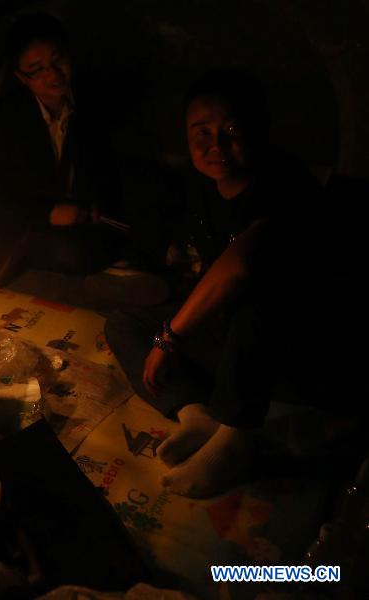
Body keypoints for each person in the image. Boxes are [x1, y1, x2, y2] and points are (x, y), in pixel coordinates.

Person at [104, 69, 342, 498]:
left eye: (231, 130)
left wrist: (170, 338)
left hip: (290, 348)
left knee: (258, 298)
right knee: (124, 322)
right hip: (229, 336)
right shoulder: (201, 183)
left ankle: (236, 438)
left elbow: (238, 268)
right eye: (202, 132)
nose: (216, 144)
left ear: (258, 130)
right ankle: (197, 415)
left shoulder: (286, 182)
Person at [0, 13, 126, 284]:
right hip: (23, 228)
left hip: (79, 225)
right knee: (67, 253)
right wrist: (47, 214)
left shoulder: (91, 106)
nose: (53, 74)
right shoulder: (0, 122)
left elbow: (105, 170)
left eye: (58, 60)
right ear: (21, 76)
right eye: (37, 69)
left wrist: (96, 204)